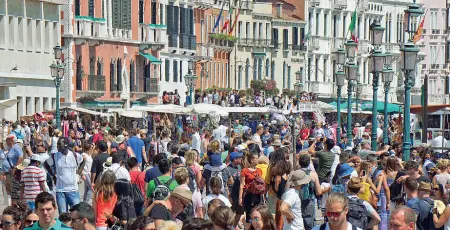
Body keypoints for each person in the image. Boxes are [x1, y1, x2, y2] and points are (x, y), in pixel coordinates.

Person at [52, 137, 83, 214]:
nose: (58, 146)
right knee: (63, 216)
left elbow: (83, 161)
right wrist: (53, 175)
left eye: (59, 144)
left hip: (73, 190)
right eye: (57, 144)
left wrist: (78, 173)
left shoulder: (75, 155)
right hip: (60, 191)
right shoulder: (54, 156)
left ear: (66, 145)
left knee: (77, 214)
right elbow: (46, 164)